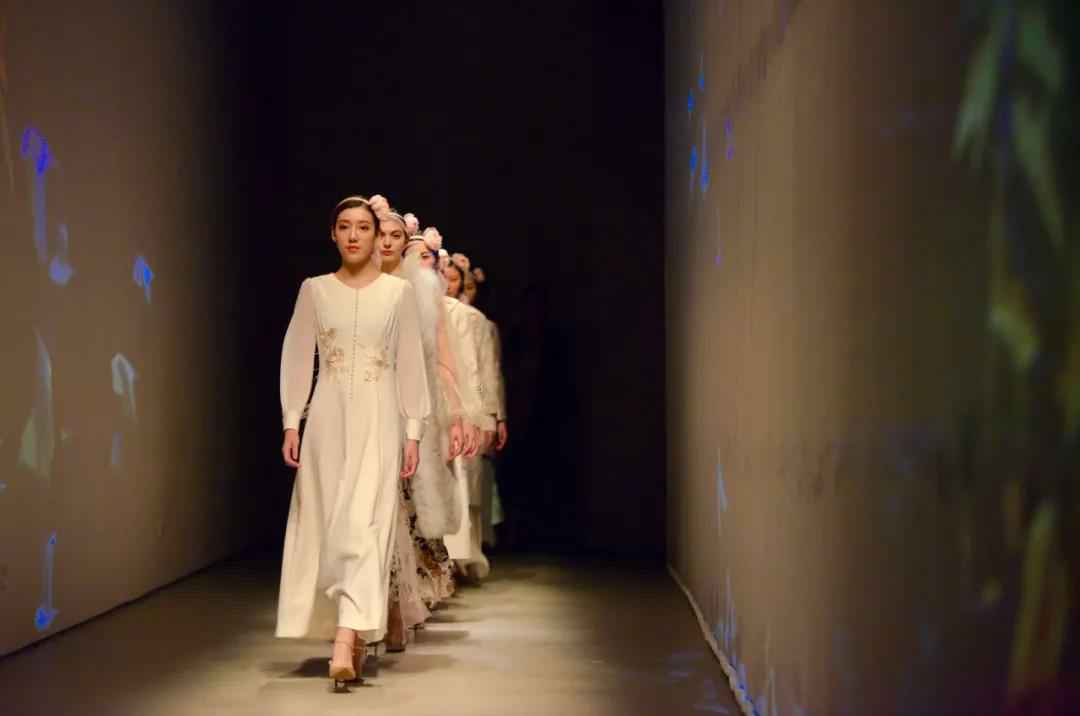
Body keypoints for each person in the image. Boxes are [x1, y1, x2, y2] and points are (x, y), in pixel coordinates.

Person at [277, 194, 430, 689]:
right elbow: (297, 355)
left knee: (366, 524)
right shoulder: (315, 290)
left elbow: (411, 364)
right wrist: (292, 421)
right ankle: (352, 631)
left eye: (363, 227)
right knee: (329, 523)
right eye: (344, 226)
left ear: (377, 236)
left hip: (380, 418)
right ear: (333, 234)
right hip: (327, 421)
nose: (354, 235)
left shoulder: (397, 294)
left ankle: (345, 639)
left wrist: (413, 430)